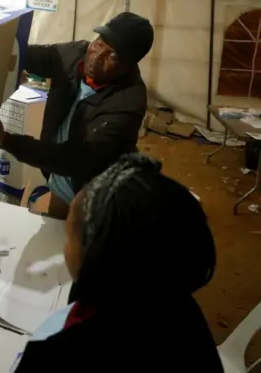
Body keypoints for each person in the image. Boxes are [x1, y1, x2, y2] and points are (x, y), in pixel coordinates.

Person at [12, 154, 223, 372]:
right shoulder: (183, 312)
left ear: (95, 257)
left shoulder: (56, 357)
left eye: (70, 237)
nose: (65, 248)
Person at [0, 12, 154, 219]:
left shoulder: (127, 103)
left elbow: (73, 158)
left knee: (83, 246)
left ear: (129, 65)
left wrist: (3, 138)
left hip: (95, 197)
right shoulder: (74, 54)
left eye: (112, 56)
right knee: (55, 233)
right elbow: (28, 55)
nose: (96, 57)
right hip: (60, 185)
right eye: (99, 43)